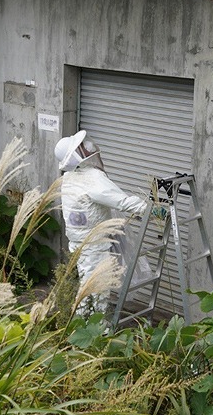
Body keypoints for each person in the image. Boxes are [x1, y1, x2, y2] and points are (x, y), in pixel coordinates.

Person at [54, 130, 148, 315]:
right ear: (76, 154)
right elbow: (121, 201)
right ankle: (91, 329)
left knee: (87, 282)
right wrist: (150, 209)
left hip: (80, 242)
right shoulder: (92, 178)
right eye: (82, 146)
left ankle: (83, 325)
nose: (88, 147)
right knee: (96, 287)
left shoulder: (69, 178)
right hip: (94, 243)